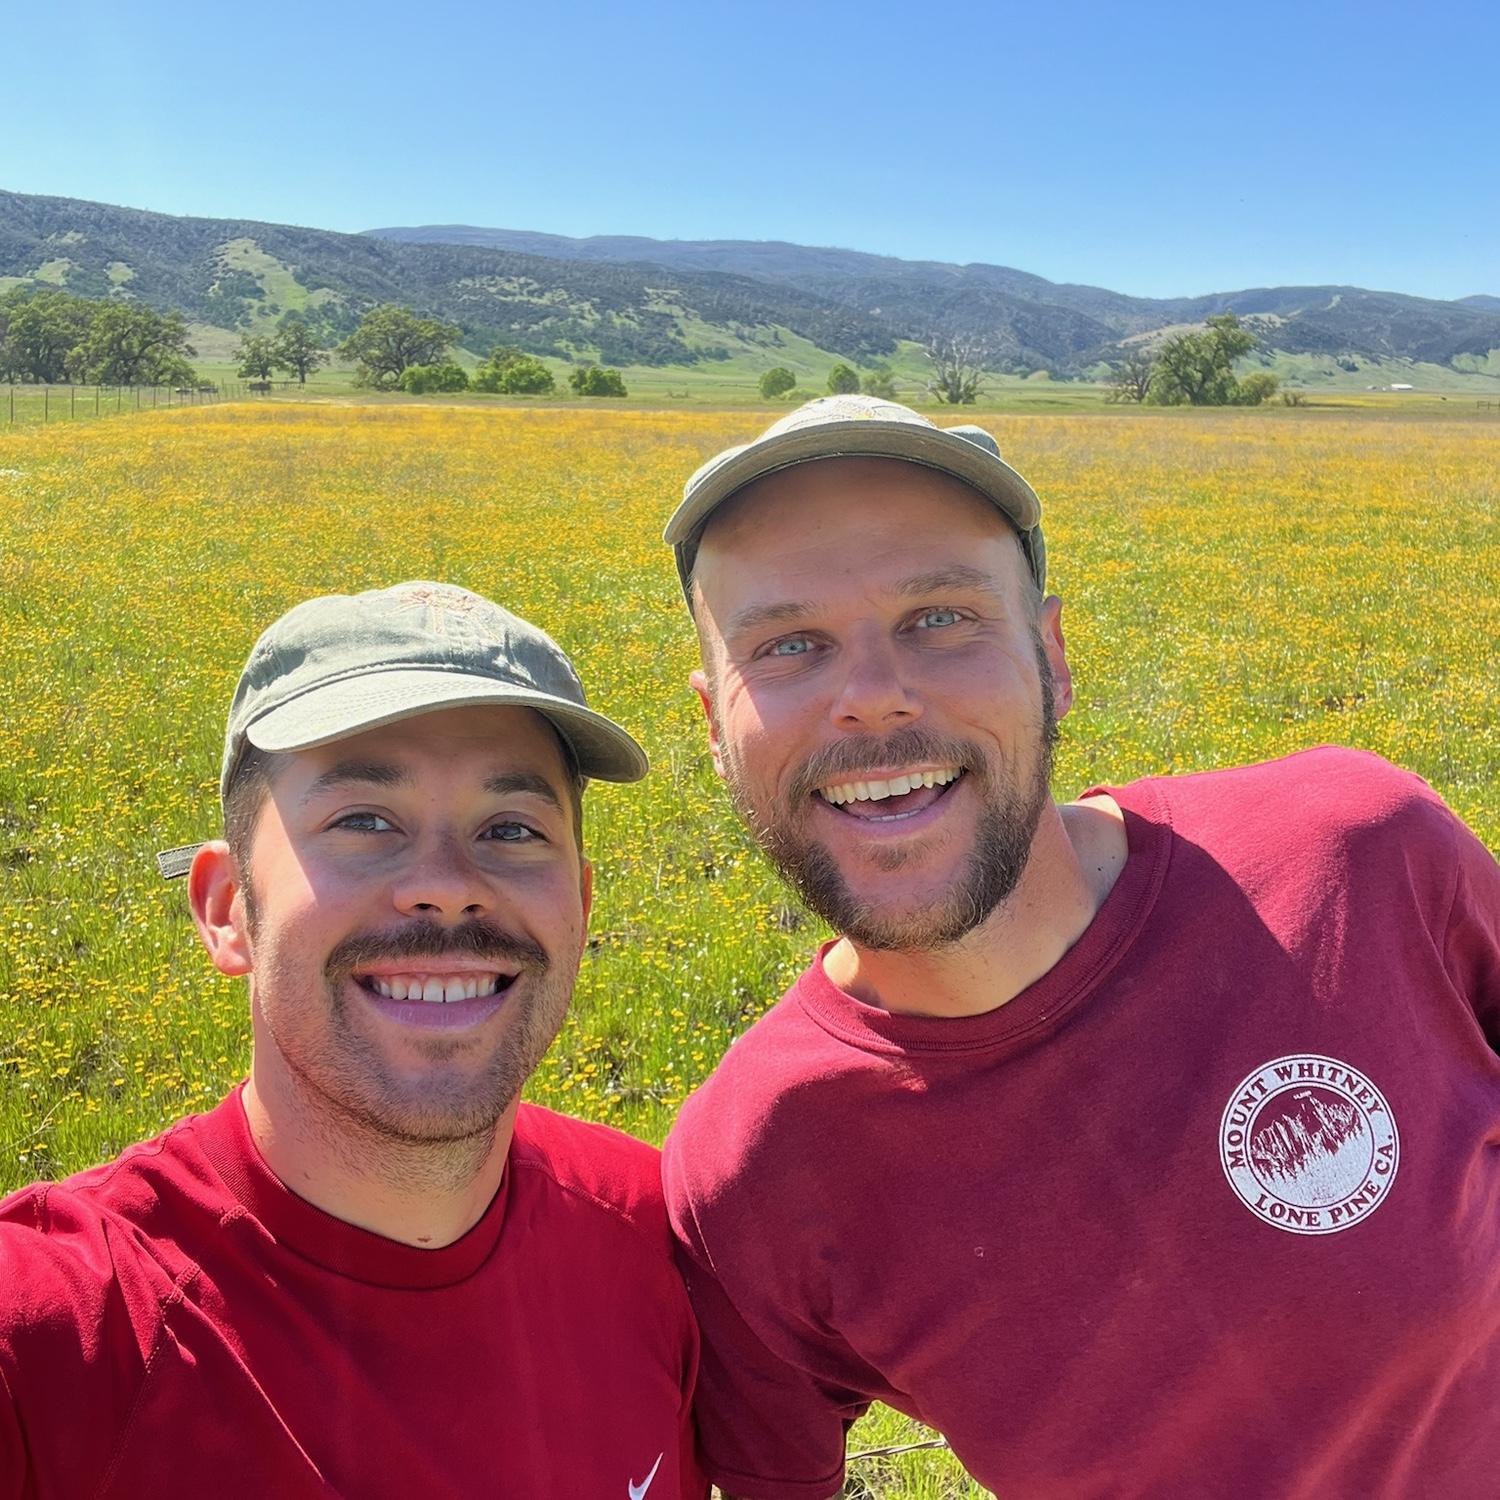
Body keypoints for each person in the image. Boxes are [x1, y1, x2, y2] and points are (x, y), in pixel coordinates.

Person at [660, 394, 1500, 1500]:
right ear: (716, 729)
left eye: (941, 617)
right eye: (788, 645)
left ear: (1051, 659)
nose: (870, 697)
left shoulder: (1359, 857)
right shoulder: (753, 1170)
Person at [0, 581, 706, 1499]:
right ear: (226, 910)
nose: (449, 886)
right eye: (364, 821)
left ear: (579, 903)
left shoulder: (667, 1243)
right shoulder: (59, 1337)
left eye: (512, 828)